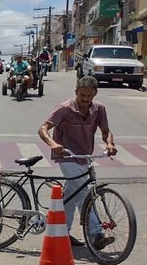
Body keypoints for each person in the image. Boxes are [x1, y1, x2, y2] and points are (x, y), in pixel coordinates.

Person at [37, 75, 118, 249]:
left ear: (95, 94)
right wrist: (53, 144)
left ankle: (61, 232)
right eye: (82, 96)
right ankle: (96, 233)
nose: (85, 100)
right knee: (83, 192)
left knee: (71, 195)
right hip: (66, 156)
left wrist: (110, 143)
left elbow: (105, 131)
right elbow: (43, 129)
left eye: (89, 96)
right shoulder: (64, 109)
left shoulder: (99, 109)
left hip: (84, 157)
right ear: (76, 92)